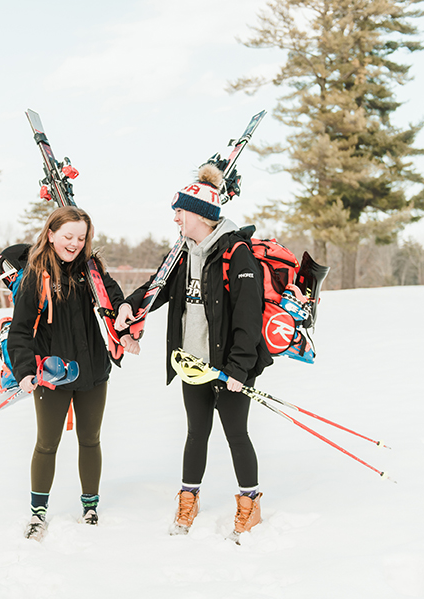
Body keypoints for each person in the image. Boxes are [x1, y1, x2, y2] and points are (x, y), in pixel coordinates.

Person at [115, 164, 273, 538]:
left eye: (180, 212)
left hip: (230, 366)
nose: (175, 218)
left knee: (236, 434)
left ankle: (249, 504)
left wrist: (239, 368)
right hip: (193, 362)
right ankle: (189, 500)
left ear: (200, 215)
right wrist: (130, 306)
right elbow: (158, 288)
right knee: (195, 433)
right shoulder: (182, 254)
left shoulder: (237, 253)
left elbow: (248, 318)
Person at [7, 205, 139, 541]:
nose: (75, 243)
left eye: (81, 237)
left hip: (93, 370)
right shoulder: (35, 277)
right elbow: (20, 332)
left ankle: (90, 505)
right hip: (51, 374)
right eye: (68, 236)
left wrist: (124, 318)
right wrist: (24, 371)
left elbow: (111, 296)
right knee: (47, 444)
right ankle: (38, 513)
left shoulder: (89, 270)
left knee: (90, 439)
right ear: (50, 235)